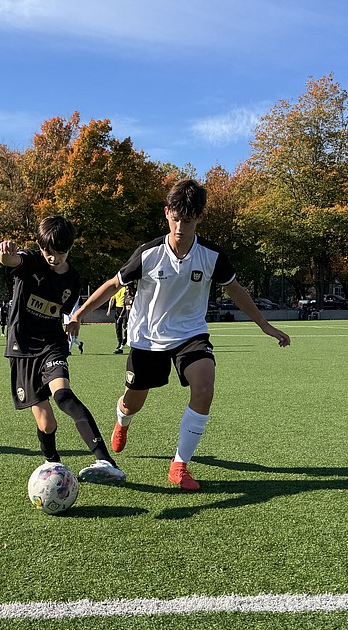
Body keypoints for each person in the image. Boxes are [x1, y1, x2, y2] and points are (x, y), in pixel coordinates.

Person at [67, 178, 291, 491]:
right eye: (175, 218)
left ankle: (179, 465)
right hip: (147, 338)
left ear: (199, 218)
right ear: (166, 213)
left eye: (187, 220)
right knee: (134, 402)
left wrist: (265, 326)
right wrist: (78, 314)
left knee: (204, 387)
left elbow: (236, 290)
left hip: (191, 334)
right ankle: (122, 420)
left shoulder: (212, 256)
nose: (180, 227)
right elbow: (113, 284)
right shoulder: (148, 254)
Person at [0, 215, 126, 485]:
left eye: (60, 251)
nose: (53, 257)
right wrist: (5, 255)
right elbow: (12, 261)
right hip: (21, 349)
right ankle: (52, 463)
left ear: (69, 248)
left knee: (64, 396)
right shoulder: (31, 260)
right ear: (40, 246)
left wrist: (75, 320)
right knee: (47, 424)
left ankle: (104, 460)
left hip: (52, 345)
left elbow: (69, 311)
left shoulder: (72, 279)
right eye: (47, 250)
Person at [107, 285, 129, 353]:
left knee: (126, 327)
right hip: (117, 309)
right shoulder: (116, 290)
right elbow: (112, 300)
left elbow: (127, 296)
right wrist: (109, 310)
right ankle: (120, 343)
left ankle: (125, 341)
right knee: (118, 328)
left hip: (124, 309)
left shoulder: (125, 289)